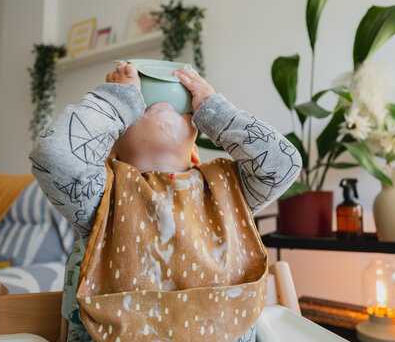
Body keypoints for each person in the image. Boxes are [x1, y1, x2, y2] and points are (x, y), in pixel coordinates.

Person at [30, 61, 301, 341]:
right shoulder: (101, 196)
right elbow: (55, 157)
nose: (160, 106)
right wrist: (116, 101)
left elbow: (285, 164)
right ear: (111, 149)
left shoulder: (229, 190)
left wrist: (214, 111)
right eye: (136, 109)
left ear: (195, 150)